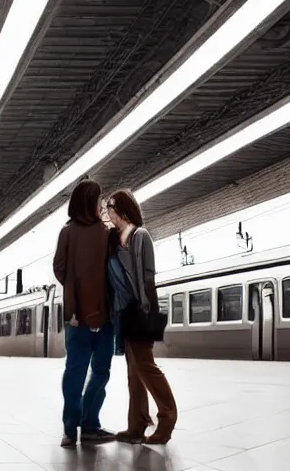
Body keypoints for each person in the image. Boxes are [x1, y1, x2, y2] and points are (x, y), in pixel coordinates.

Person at [105, 189, 177, 445]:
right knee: (133, 371)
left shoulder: (140, 235)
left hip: (139, 309)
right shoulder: (113, 239)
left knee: (146, 367)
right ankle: (136, 425)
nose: (107, 212)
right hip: (122, 314)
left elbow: (148, 276)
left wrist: (148, 308)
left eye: (110, 207)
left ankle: (167, 419)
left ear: (121, 208)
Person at [52, 180, 116, 447]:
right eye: (99, 199)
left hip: (75, 317)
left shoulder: (67, 232)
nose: (102, 203)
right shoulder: (107, 232)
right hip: (105, 314)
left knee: (74, 373)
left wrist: (74, 290)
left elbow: (59, 268)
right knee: (100, 371)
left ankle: (70, 429)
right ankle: (90, 424)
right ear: (90, 201)